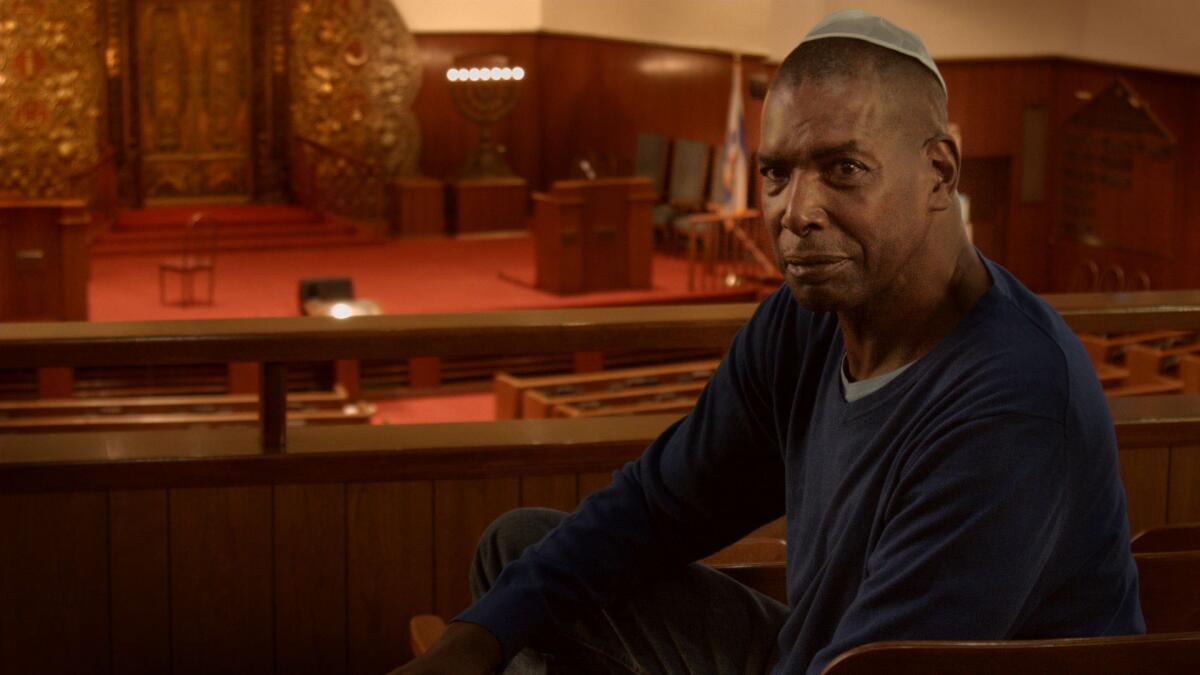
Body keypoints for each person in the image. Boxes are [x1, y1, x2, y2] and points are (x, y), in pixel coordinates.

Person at [394, 10, 1143, 675]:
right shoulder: (805, 320)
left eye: (844, 169)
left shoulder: (1013, 400)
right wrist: (474, 638)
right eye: (777, 173)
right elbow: (660, 505)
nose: (797, 212)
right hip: (820, 648)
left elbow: (882, 662)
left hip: (870, 663)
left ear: (939, 173)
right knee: (517, 554)